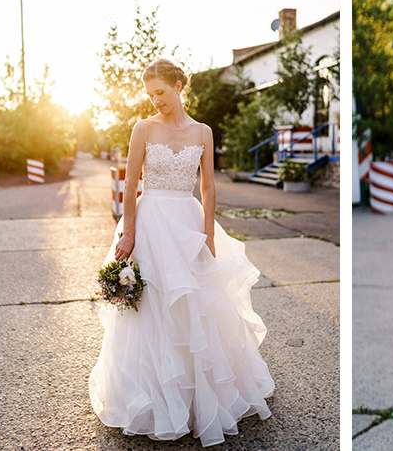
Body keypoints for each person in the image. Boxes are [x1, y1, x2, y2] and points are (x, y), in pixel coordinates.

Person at [89, 59, 275, 447]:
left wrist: (207, 235)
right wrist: (130, 231)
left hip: (188, 223)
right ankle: (155, 398)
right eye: (150, 95)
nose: (156, 100)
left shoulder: (203, 132)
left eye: (161, 92)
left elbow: (208, 188)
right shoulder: (142, 128)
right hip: (152, 220)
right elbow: (129, 185)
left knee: (197, 305)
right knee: (153, 305)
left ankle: (199, 399)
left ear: (178, 86)